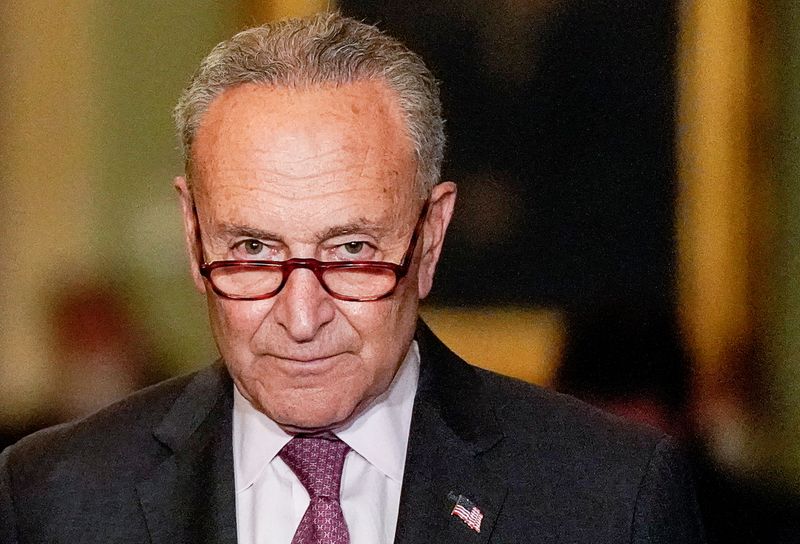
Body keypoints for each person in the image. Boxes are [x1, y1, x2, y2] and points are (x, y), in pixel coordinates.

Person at [0, 12, 705, 543]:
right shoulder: (55, 499)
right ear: (193, 236)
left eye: (350, 252)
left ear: (429, 239)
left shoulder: (610, 499)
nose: (302, 318)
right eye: (252, 249)